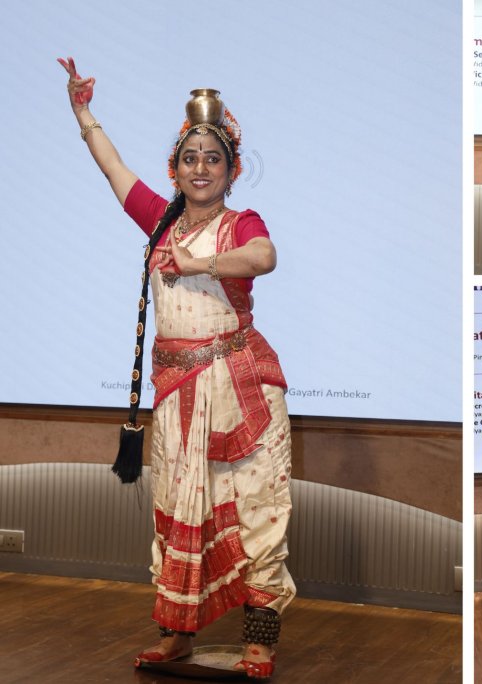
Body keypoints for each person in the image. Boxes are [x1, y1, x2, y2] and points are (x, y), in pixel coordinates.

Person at [59, 57, 295, 679]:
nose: (199, 168)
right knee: (176, 509)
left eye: (211, 159)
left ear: (230, 168)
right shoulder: (158, 220)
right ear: (176, 168)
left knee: (257, 511)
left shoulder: (239, 224)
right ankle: (177, 635)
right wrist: (84, 113)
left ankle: (261, 642)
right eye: (189, 158)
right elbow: (114, 170)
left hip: (239, 388)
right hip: (177, 394)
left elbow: (264, 257)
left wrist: (199, 265)